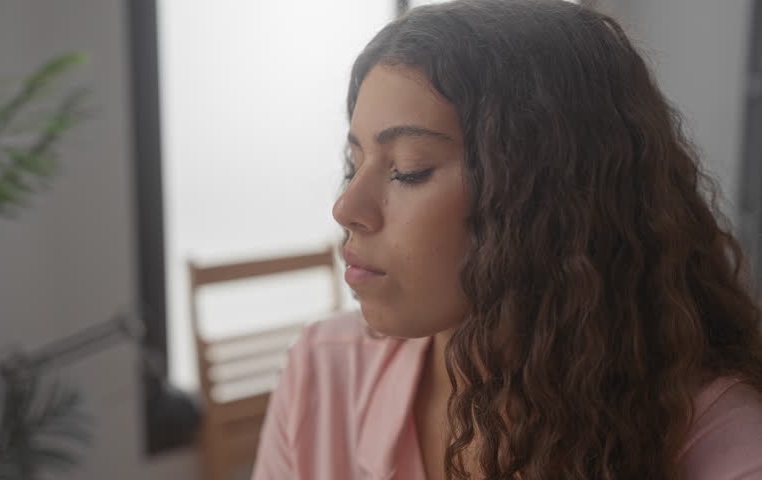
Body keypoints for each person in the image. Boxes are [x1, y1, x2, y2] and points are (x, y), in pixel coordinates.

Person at [251, 0, 762, 478]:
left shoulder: (722, 445)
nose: (346, 209)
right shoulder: (322, 374)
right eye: (353, 162)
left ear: (548, 199)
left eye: (408, 170)